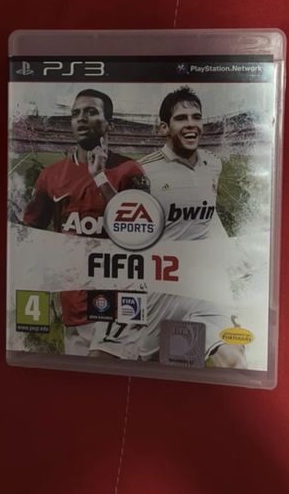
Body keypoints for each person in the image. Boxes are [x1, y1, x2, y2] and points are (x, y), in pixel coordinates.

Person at [90, 86, 245, 368]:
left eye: (196, 117)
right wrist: (99, 176)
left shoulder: (213, 165)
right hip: (157, 287)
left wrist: (232, 258)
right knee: (113, 361)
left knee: (234, 360)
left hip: (201, 289)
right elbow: (121, 217)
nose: (191, 124)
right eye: (181, 118)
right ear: (163, 128)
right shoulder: (143, 171)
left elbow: (207, 215)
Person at [23, 88, 147, 355]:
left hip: (120, 302)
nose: (81, 118)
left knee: (102, 363)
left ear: (109, 123)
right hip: (75, 303)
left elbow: (142, 235)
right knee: (81, 375)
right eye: (75, 113)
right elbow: (32, 232)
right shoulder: (51, 176)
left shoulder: (129, 170)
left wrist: (100, 177)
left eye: (91, 112)